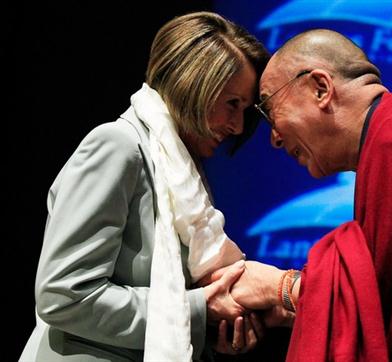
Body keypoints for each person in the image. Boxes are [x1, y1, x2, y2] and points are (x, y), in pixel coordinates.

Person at [221, 29, 392, 361]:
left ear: (320, 88)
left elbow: (387, 298)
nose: (275, 139)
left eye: (268, 110)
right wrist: (303, 308)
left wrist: (280, 287)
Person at [20, 11, 269, 362]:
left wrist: (209, 333)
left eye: (244, 109)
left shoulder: (181, 173)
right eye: (232, 104)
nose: (238, 126)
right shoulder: (117, 146)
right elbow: (64, 296)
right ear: (192, 85)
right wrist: (197, 311)